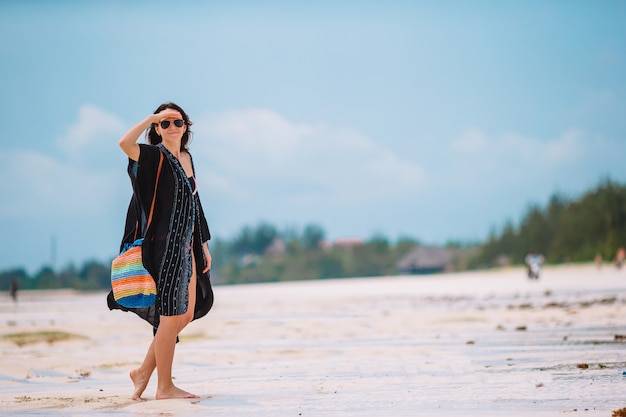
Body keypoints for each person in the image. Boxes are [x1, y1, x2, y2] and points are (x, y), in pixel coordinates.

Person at [107, 102, 214, 401]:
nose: (171, 128)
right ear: (156, 129)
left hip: (187, 245)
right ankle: (164, 387)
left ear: (185, 126)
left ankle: (142, 372)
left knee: (186, 313)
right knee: (170, 316)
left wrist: (202, 244)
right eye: (164, 123)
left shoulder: (187, 158)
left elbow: (195, 203)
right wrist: (150, 118)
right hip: (165, 247)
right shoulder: (153, 156)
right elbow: (124, 143)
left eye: (176, 122)